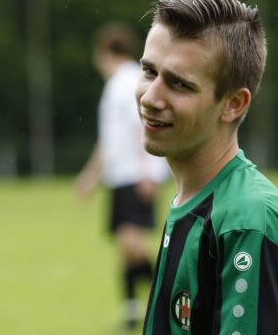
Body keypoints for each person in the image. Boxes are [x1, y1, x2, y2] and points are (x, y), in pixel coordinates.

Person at [137, 0, 278, 334]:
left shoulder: (245, 218)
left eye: (179, 84)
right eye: (148, 71)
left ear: (233, 104)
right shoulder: (195, 200)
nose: (150, 97)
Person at [75, 22, 169, 330]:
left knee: (131, 241)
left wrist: (147, 173)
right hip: (120, 175)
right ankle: (131, 310)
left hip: (134, 174)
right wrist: (91, 175)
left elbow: (141, 126)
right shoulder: (117, 83)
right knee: (124, 244)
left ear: (104, 52)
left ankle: (169, 294)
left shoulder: (126, 81)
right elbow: (110, 140)